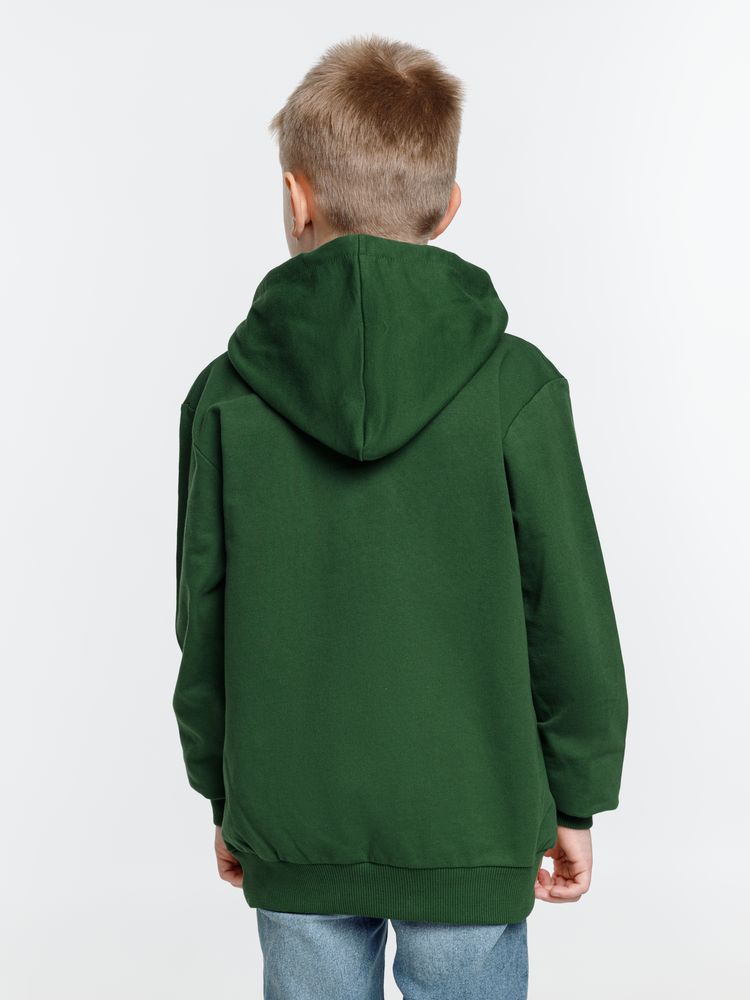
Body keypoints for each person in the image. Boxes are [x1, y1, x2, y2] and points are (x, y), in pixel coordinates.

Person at [172, 32, 628, 1000]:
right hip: (475, 816)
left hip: (292, 814)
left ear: (296, 197)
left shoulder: (225, 396)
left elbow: (201, 618)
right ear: (449, 208)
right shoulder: (518, 388)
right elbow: (570, 614)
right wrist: (577, 796)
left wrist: (223, 789)